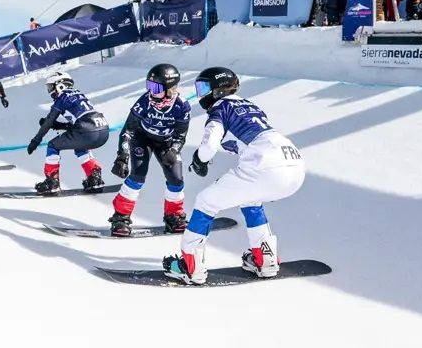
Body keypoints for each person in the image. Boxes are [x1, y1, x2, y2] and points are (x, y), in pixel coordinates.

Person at [161, 67, 305, 285]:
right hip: (294, 164)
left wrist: (199, 161)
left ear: (217, 90)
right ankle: (265, 259)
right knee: (251, 199)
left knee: (205, 202)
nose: (201, 94)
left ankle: (191, 266)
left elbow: (209, 146)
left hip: (264, 164)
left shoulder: (220, 108)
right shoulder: (250, 105)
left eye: (204, 88)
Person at [108, 64, 193, 237]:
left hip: (166, 143)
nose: (151, 92)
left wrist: (174, 150)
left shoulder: (182, 106)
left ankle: (174, 216)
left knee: (176, 180)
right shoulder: (144, 101)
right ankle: (121, 217)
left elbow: (180, 135)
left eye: (156, 88)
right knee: (137, 176)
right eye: (149, 86)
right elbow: (128, 130)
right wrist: (122, 156)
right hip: (143, 139)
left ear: (169, 89)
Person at [25, 72, 108, 194]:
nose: (50, 91)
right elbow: (80, 122)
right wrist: (58, 125)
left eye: (51, 87)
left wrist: (36, 140)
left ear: (60, 85)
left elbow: (49, 120)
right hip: (103, 129)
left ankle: (52, 182)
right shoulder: (79, 94)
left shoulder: (62, 97)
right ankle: (94, 177)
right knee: (80, 146)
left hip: (86, 131)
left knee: (52, 145)